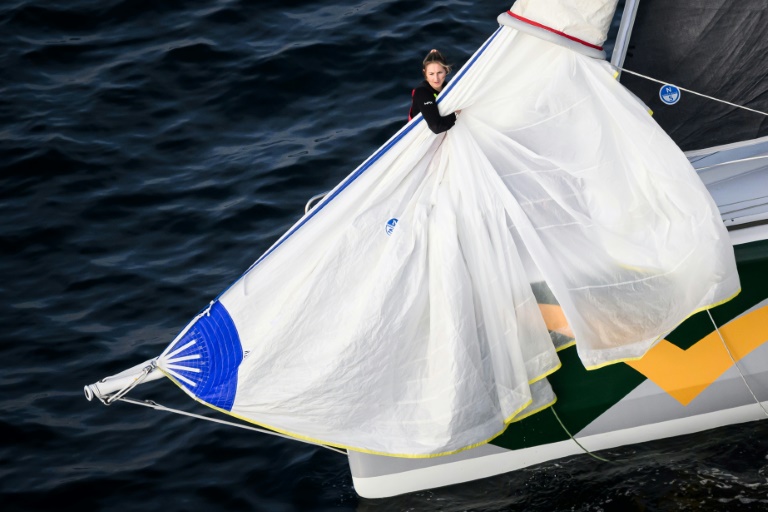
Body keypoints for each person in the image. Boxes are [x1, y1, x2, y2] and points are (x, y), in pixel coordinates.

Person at [408, 49, 458, 134]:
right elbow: (436, 127)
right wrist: (456, 114)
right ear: (425, 73)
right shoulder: (422, 92)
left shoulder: (447, 87)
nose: (436, 78)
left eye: (439, 72)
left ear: (446, 70)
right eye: (431, 74)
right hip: (422, 139)